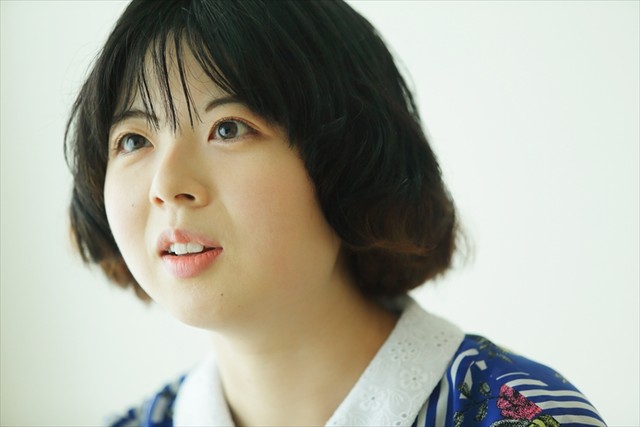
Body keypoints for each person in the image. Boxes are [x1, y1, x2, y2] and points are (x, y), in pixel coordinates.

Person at [64, 1, 606, 426]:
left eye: (228, 128)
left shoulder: (525, 416)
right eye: (133, 139)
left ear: (350, 159)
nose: (166, 186)